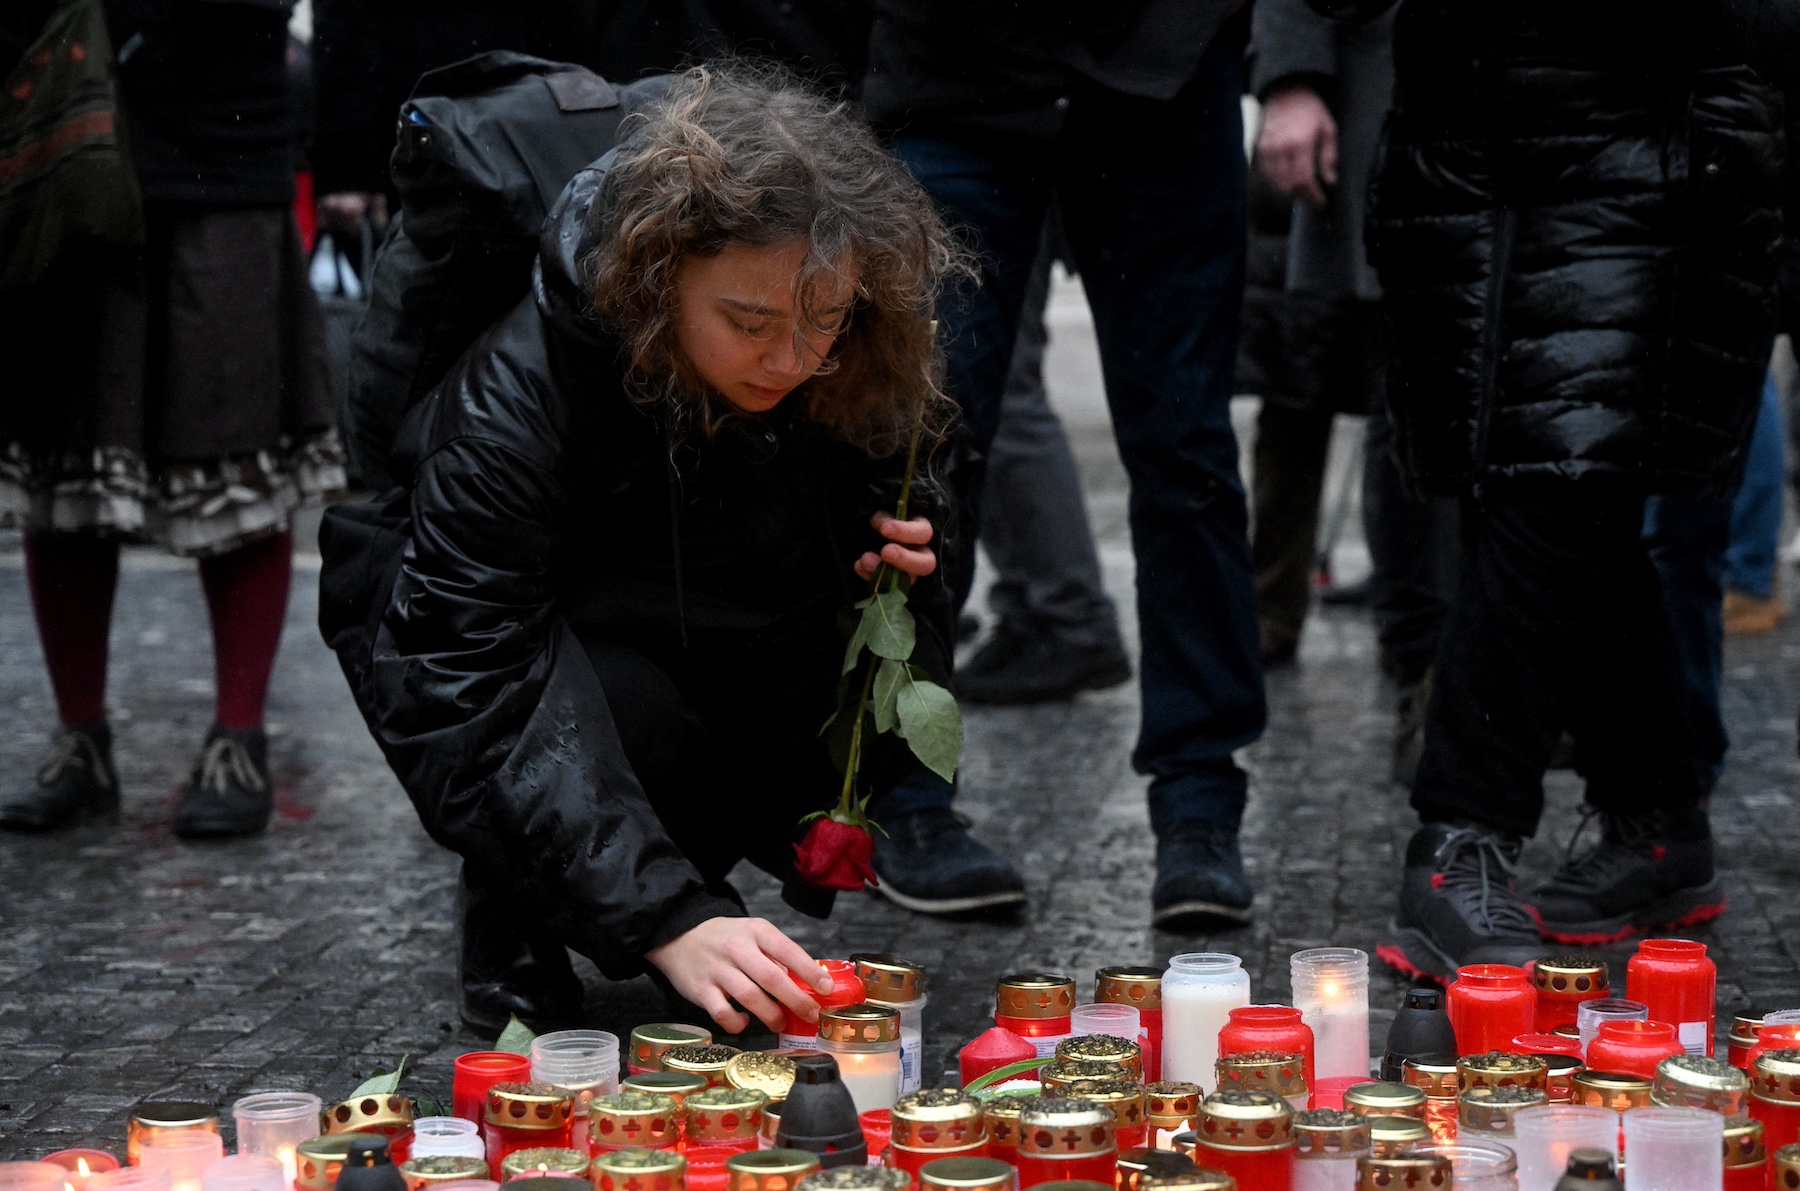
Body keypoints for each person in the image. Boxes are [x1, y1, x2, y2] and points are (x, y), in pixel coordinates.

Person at [318, 66, 966, 1033]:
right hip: (557, 657)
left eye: (823, 320)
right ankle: (535, 919)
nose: (793, 360)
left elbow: (896, 505)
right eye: (751, 324)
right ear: (656, 282)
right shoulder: (511, 404)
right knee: (615, 709)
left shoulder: (847, 352)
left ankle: (671, 893)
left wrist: (898, 547)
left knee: (818, 670)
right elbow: (461, 675)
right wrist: (667, 918)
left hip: (722, 634)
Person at [1366, 0, 1787, 976]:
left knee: (1560, 485)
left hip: (1639, 156)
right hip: (1470, 151)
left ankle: (1462, 836)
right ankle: (1657, 817)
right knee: (1540, 491)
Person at [862, 0, 1267, 927]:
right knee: (918, 450)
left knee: (1186, 453)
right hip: (956, 73)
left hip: (1163, 62)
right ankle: (905, 797)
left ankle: (1201, 802)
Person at [0, 0, 344, 837]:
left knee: (238, 454)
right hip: (66, 147)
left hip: (221, 159)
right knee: (67, 459)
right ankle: (80, 737)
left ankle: (238, 735)